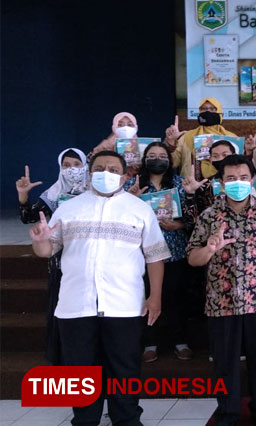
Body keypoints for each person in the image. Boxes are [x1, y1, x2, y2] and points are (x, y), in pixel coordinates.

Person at [30, 150, 170, 426]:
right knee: (80, 372)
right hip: (75, 305)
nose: (107, 173)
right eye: (100, 168)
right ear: (90, 173)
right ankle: (84, 420)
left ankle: (127, 419)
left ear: (124, 175)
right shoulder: (69, 207)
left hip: (125, 305)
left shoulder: (139, 209)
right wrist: (40, 240)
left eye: (113, 169)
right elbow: (47, 250)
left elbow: (155, 257)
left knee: (125, 369)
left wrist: (155, 297)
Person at [187, 154, 256, 426]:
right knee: (224, 363)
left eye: (244, 178)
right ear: (221, 183)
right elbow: (192, 257)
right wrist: (209, 249)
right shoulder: (210, 215)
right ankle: (227, 412)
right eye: (231, 179)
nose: (238, 183)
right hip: (220, 302)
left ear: (252, 180)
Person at [123, 142, 197, 363]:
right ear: (145, 160)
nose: (157, 159)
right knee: (145, 297)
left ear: (169, 160)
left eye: (162, 155)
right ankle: (150, 343)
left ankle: (180, 342)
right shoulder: (132, 184)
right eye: (152, 155)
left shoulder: (179, 184)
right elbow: (120, 217)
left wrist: (180, 225)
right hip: (142, 254)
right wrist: (130, 200)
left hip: (174, 252)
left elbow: (193, 218)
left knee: (176, 299)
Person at [16, 148, 88, 364]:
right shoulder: (54, 193)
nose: (71, 169)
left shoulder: (96, 192)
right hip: (61, 262)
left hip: (89, 258)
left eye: (76, 164)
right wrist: (23, 195)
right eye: (66, 165)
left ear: (85, 166)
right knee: (60, 306)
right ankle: (60, 355)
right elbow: (29, 217)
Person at [164, 97, 238, 179]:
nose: (207, 111)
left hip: (223, 188)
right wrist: (171, 141)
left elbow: (239, 166)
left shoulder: (232, 138)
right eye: (204, 109)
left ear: (220, 112)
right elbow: (172, 164)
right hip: (191, 188)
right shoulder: (187, 137)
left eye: (212, 109)